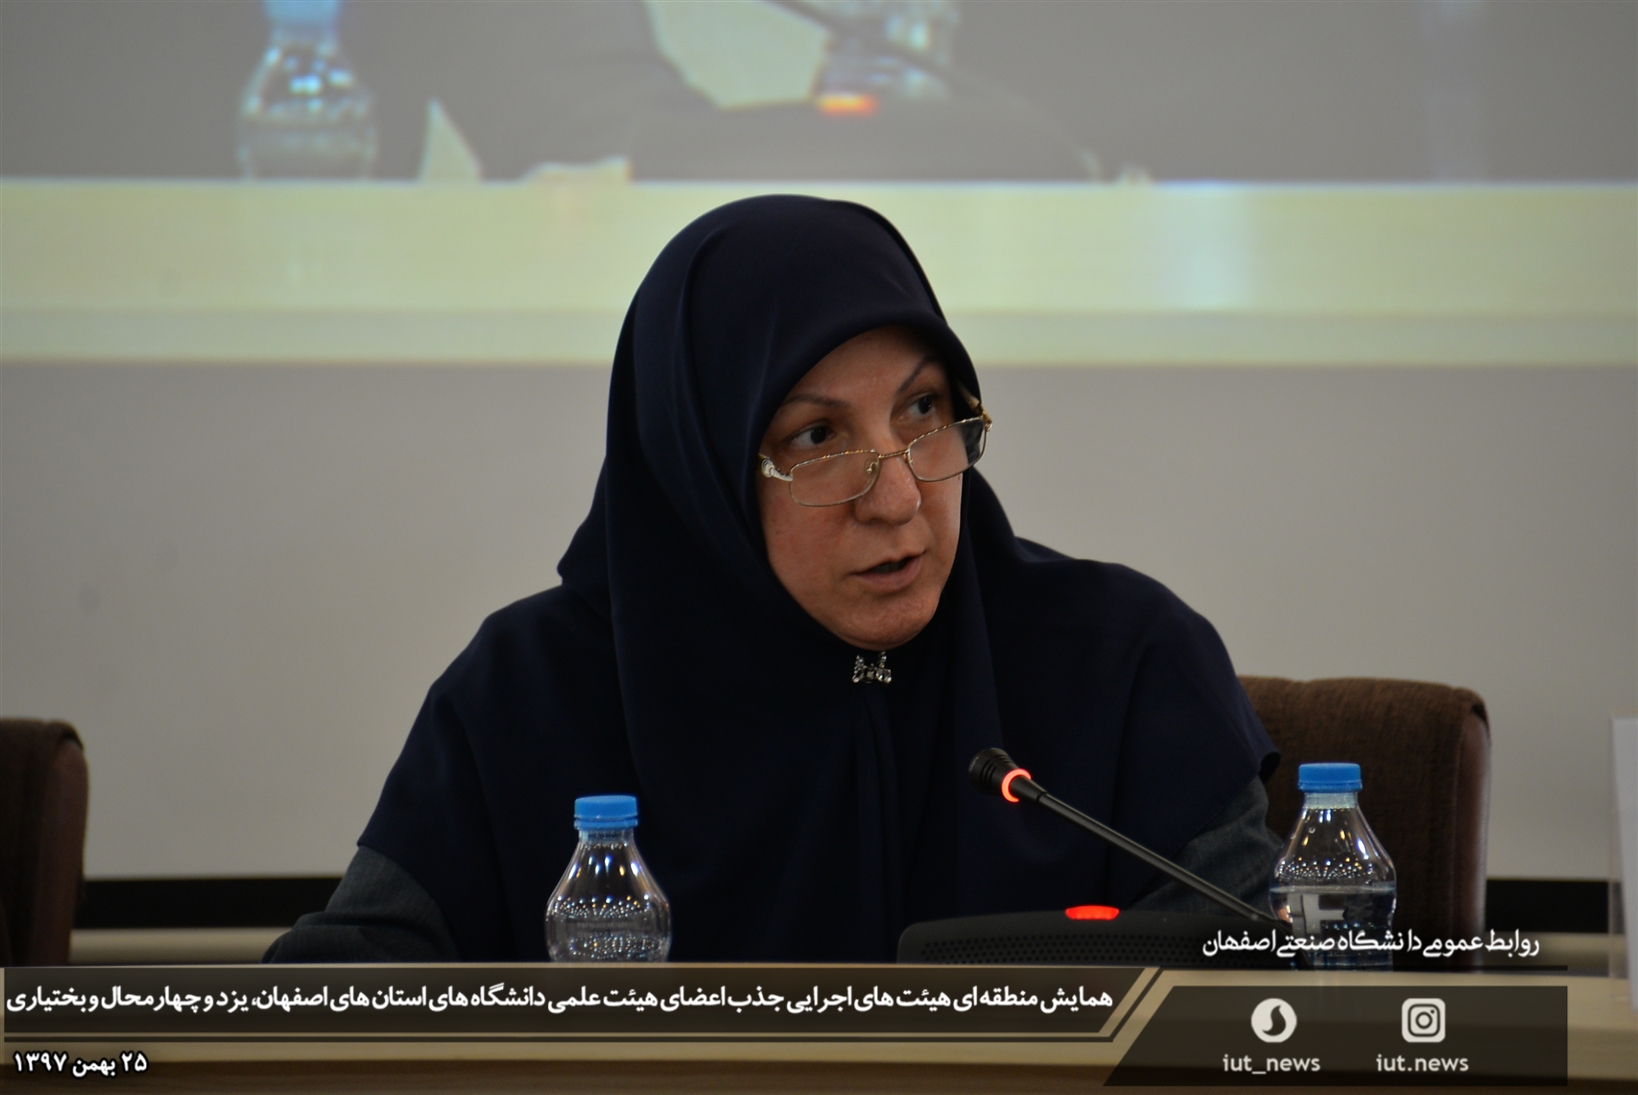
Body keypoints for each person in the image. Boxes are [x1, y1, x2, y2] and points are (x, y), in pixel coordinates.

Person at [265, 196, 1279, 964]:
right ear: (700, 473)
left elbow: (1275, 989)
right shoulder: (531, 692)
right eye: (818, 437)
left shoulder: (1123, 661)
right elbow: (330, 1003)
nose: (899, 497)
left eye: (924, 411)